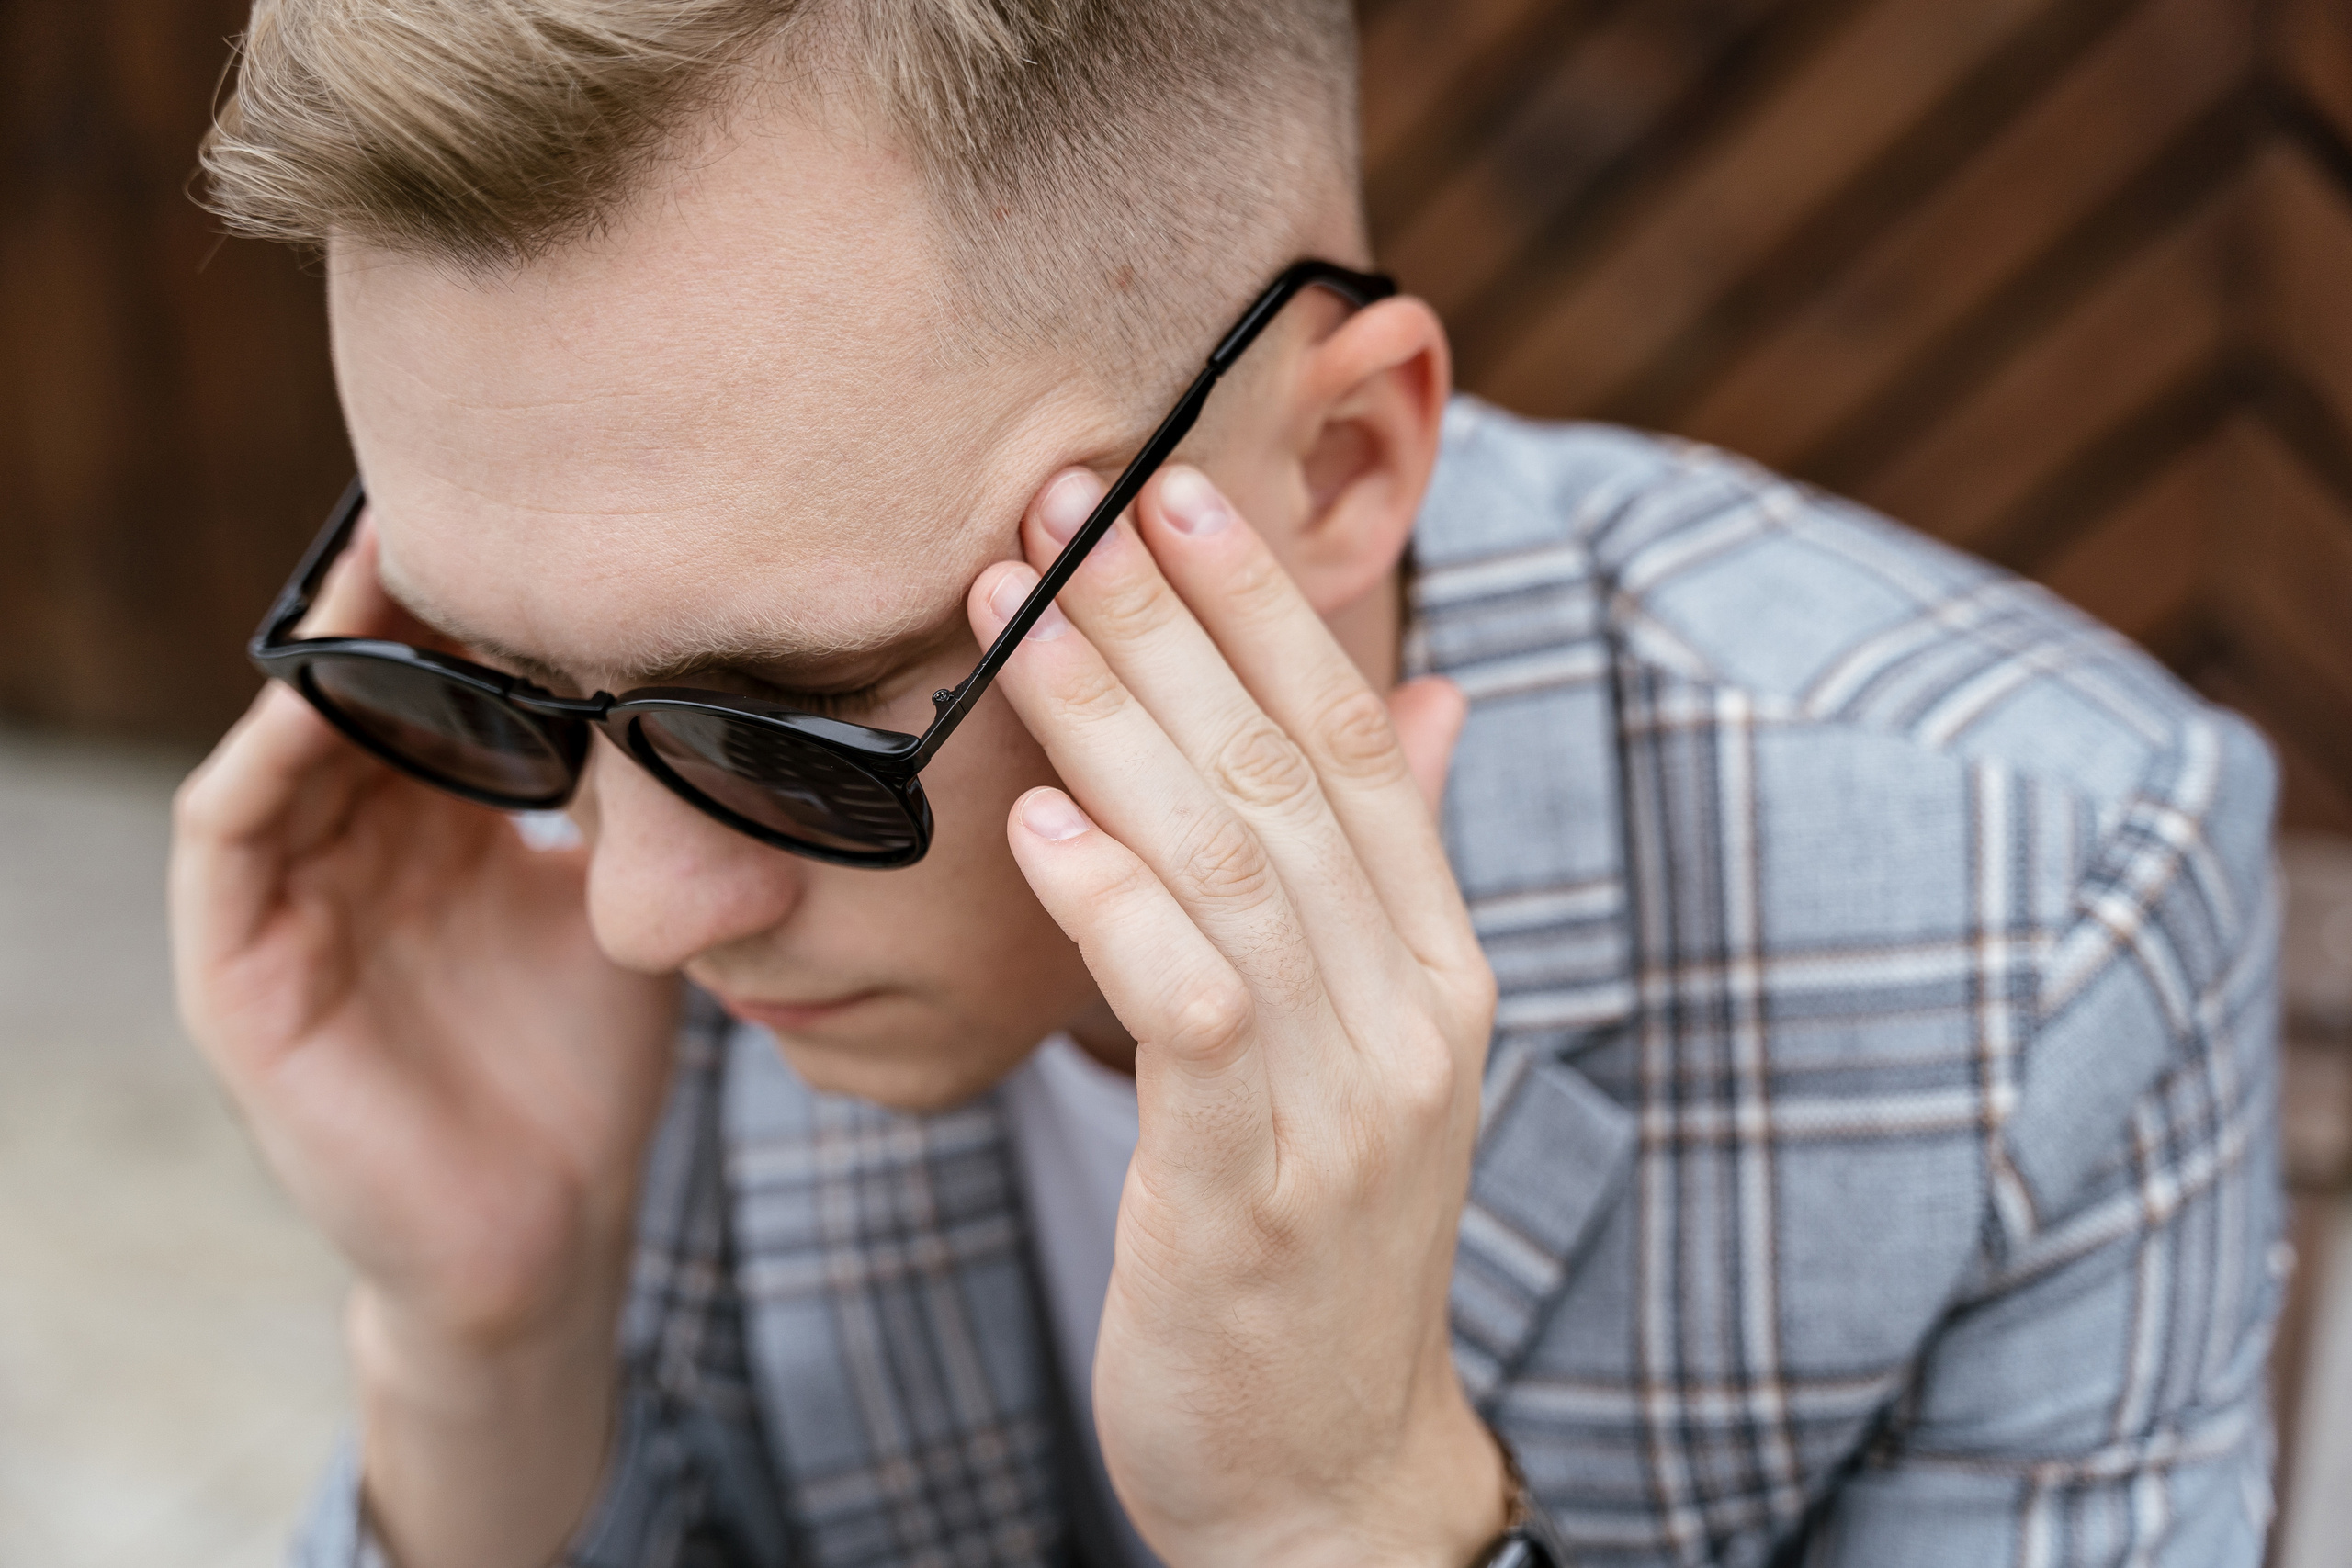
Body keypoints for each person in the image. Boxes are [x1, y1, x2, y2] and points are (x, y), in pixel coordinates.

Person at [169, 2, 2284, 1563]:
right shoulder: (567, 846)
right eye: (477, 675)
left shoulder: (2044, 909)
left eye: (790, 723)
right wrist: (487, 1347)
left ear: (1337, 463)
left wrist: (1344, 1510)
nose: (628, 896)